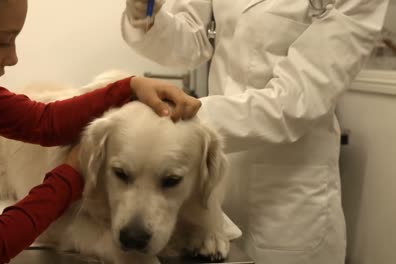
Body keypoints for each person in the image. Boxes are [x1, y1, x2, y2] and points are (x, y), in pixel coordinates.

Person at [0, 0, 202, 263]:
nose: (13, 58)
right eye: (3, 41)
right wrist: (71, 173)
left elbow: (44, 122)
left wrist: (129, 87)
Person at [122, 0, 388, 263]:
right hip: (218, 185)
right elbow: (192, 40)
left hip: (290, 199)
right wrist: (148, 16)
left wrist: (183, 115)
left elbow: (296, 101)